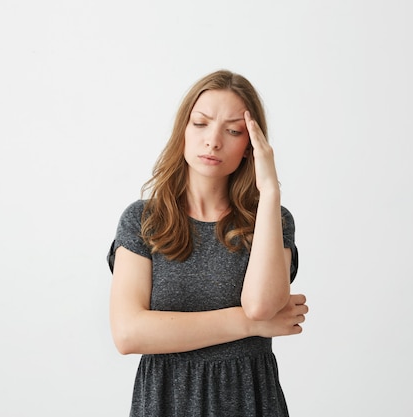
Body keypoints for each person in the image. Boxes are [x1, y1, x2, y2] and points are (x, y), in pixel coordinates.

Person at [107, 69, 308, 417]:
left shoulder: (271, 220)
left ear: (251, 147)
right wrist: (248, 325)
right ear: (183, 129)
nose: (213, 141)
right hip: (166, 402)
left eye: (233, 131)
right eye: (201, 123)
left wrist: (271, 191)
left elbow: (261, 306)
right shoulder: (144, 220)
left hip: (251, 402)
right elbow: (128, 333)